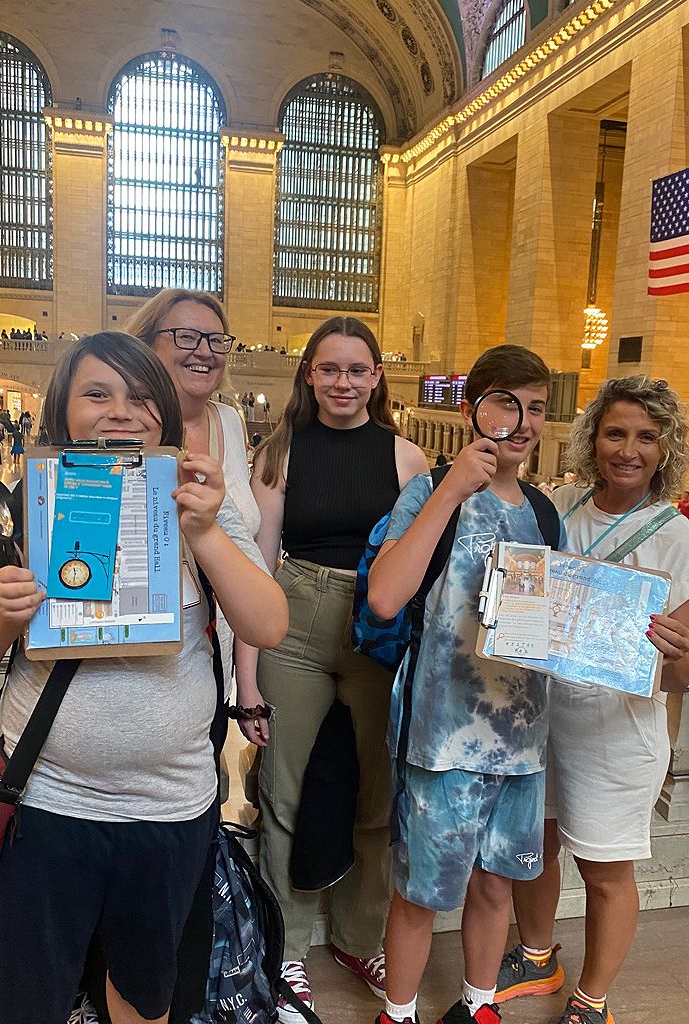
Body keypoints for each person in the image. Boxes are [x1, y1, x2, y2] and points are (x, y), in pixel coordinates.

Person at [0, 331, 288, 1024]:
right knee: (20, 1002)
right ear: (63, 408)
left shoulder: (195, 504)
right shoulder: (21, 502)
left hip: (167, 812)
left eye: (139, 397)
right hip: (46, 804)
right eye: (96, 393)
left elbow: (267, 624)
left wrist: (206, 533)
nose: (120, 411)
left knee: (144, 993)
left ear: (163, 411)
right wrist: (4, 617)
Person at [497, 376, 689, 1024]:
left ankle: (592, 999)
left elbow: (677, 678)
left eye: (647, 437)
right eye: (616, 432)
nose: (629, 449)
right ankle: (538, 955)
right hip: (543, 717)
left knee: (604, 870)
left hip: (616, 733)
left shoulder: (676, 539)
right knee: (533, 844)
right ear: (594, 437)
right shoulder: (561, 508)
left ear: (665, 447)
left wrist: (674, 651)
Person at [234, 316, 429, 1022]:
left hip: (379, 629)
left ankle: (356, 937)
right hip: (295, 617)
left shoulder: (407, 459)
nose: (343, 382)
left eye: (357, 370)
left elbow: (427, 560)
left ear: (377, 377)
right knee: (281, 790)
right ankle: (285, 945)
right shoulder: (279, 453)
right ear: (308, 374)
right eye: (330, 369)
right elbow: (256, 568)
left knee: (377, 800)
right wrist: (246, 681)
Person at [366, 345, 565, 1024]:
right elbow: (387, 597)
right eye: (507, 404)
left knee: (496, 886)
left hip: (522, 738)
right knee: (420, 892)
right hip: (443, 734)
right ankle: (398, 1011)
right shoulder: (428, 492)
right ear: (472, 409)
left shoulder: (544, 509)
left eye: (537, 408)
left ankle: (479, 1003)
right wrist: (451, 489)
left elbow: (550, 623)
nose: (524, 421)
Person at [126, 289, 260, 693]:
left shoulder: (231, 423)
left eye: (216, 340)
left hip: (218, 653)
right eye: (186, 336)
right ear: (146, 345)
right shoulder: (121, 430)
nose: (204, 351)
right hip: (145, 657)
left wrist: (246, 678)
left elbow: (250, 555)